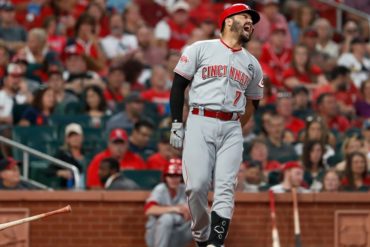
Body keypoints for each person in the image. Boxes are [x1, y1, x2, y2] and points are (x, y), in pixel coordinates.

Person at [169, 4, 263, 247]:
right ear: (228, 20)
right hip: (200, 119)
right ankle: (202, 236)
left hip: (231, 127)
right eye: (245, 17)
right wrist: (177, 123)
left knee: (225, 188)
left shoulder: (253, 64)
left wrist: (236, 127)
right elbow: (179, 85)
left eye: (252, 20)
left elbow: (254, 102)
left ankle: (216, 242)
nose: (250, 22)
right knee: (196, 186)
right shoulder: (201, 48)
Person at [144, 158, 193, 247]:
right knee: (167, 218)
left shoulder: (185, 189)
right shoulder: (160, 189)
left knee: (204, 218)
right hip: (156, 235)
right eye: (170, 176)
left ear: (181, 177)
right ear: (165, 177)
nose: (173, 179)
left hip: (178, 233)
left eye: (176, 176)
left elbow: (205, 209)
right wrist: (176, 208)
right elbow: (149, 209)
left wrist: (191, 209)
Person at [47, 123, 85, 189]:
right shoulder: (62, 154)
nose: (75, 138)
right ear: (67, 139)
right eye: (71, 136)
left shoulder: (88, 154)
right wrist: (60, 172)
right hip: (69, 189)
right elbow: (48, 170)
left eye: (77, 135)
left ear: (82, 137)